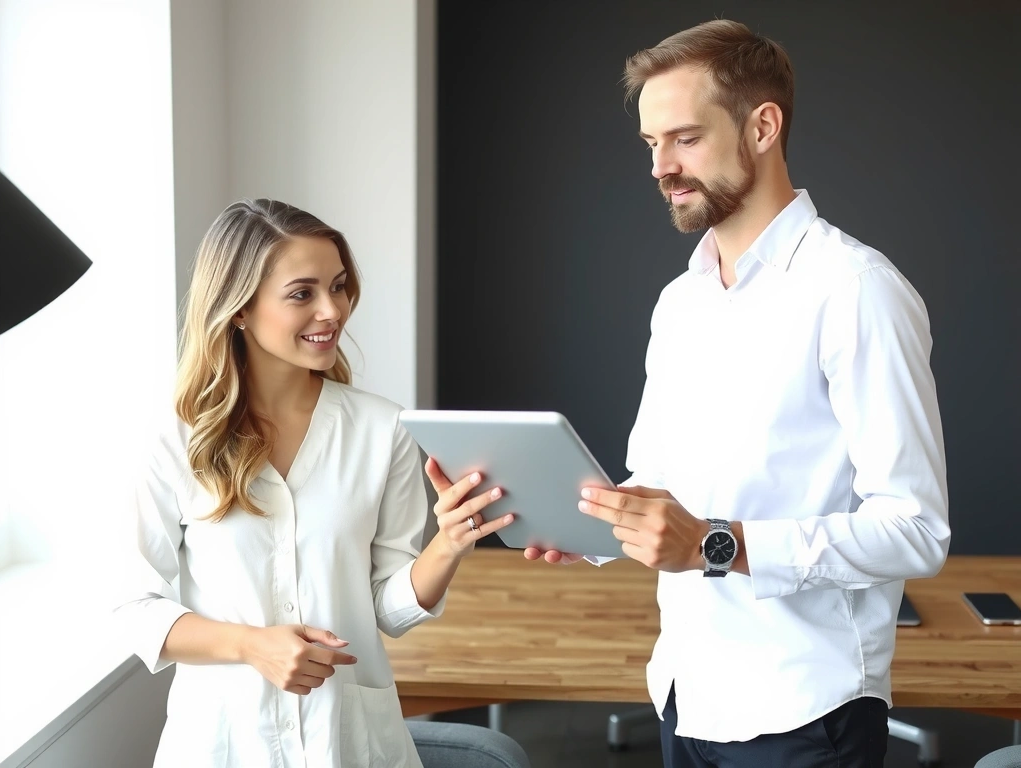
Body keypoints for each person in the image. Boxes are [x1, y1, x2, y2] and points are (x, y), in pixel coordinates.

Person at [525, 19, 950, 768]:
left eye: (684, 137)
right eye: (651, 144)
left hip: (805, 717)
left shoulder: (856, 292)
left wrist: (716, 545)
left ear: (762, 125)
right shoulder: (679, 302)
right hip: (686, 696)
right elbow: (658, 489)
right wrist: (572, 522)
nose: (662, 166)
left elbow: (916, 529)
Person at [114, 199, 513, 767]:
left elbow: (387, 611)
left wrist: (448, 544)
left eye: (340, 286)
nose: (333, 310)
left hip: (348, 745)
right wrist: (251, 646)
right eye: (302, 293)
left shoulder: (383, 429)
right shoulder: (176, 439)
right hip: (226, 743)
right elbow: (133, 606)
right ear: (239, 310)